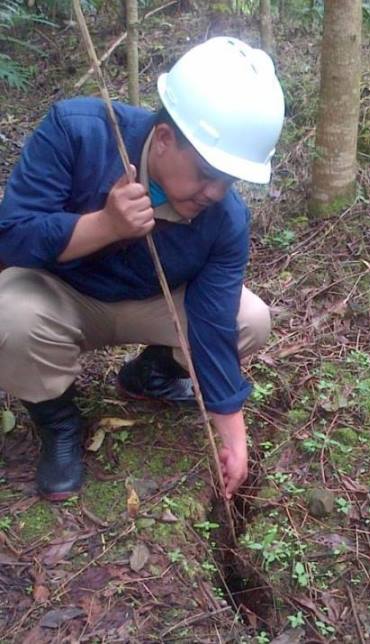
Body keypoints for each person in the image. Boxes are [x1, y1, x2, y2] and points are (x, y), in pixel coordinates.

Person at [0, 37, 284, 502]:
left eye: (227, 181)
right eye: (207, 174)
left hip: (155, 302)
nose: (214, 193)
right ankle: (58, 421)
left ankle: (148, 375)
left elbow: (212, 320)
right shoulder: (80, 132)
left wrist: (233, 429)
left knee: (248, 320)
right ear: (166, 140)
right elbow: (13, 236)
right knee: (10, 317)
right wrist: (104, 225)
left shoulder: (226, 220)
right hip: (60, 295)